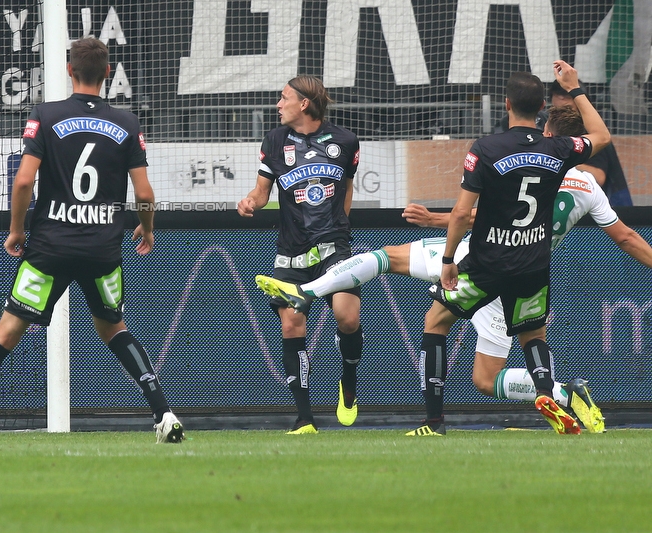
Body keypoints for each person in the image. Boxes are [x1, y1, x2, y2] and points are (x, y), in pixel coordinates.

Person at [258, 103, 652, 433]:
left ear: (549, 130)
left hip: (476, 259)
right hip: (525, 269)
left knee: (389, 263)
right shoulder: (588, 187)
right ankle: (563, 393)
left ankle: (308, 291)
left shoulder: (533, 162)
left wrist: (435, 221)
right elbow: (627, 238)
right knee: (487, 378)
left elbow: (485, 214)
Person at [0, 37, 184, 445]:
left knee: (7, 331)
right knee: (114, 329)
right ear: (108, 74)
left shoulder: (45, 116)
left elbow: (23, 180)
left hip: (50, 246)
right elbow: (144, 195)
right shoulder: (127, 123)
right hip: (102, 248)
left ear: (70, 70)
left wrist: (17, 230)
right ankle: (165, 414)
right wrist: (148, 226)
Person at [406, 62, 610, 435]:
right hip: (533, 264)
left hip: (486, 262)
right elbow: (602, 135)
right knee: (533, 335)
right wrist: (576, 88)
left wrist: (449, 259)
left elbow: (461, 212)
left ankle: (433, 421)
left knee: (436, 321)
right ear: (541, 108)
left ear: (506, 104)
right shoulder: (560, 148)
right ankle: (546, 391)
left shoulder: (486, 148)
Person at [237, 75, 362, 434]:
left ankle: (349, 378)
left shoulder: (345, 141)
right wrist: (250, 202)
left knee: (347, 318)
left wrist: (341, 228)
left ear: (303, 103)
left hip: (333, 247)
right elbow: (262, 192)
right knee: (292, 324)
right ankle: (305, 418)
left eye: (283, 97)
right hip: (291, 251)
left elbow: (347, 188)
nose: (278, 104)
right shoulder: (274, 141)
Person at [549, 81, 632, 206]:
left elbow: (598, 177)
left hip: (611, 210)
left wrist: (559, 162)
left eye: (567, 110)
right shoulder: (554, 128)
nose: (562, 117)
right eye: (557, 111)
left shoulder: (589, 131)